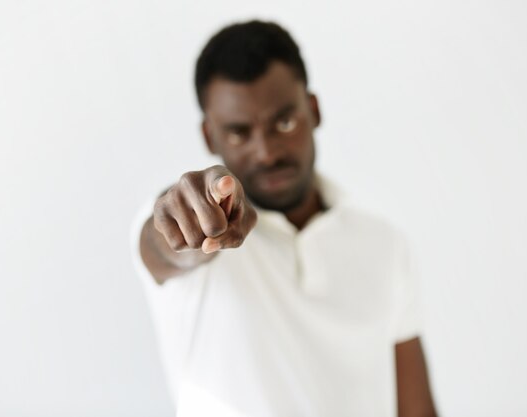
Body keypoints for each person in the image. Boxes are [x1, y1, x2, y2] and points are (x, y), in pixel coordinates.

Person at [132, 20, 438, 417]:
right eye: (239, 133)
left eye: (284, 122)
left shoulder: (385, 244)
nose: (266, 152)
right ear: (210, 138)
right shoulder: (192, 229)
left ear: (313, 110)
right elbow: (166, 245)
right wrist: (185, 221)